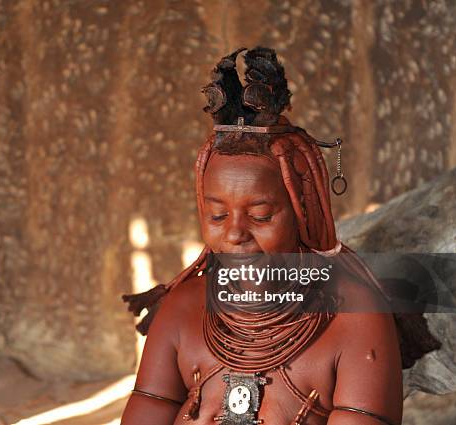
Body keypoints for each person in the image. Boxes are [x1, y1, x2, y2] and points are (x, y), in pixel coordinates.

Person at [121, 47, 404, 425]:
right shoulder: (182, 309)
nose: (236, 233)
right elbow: (146, 410)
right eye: (217, 215)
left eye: (260, 215)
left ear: (302, 210)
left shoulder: (355, 318)